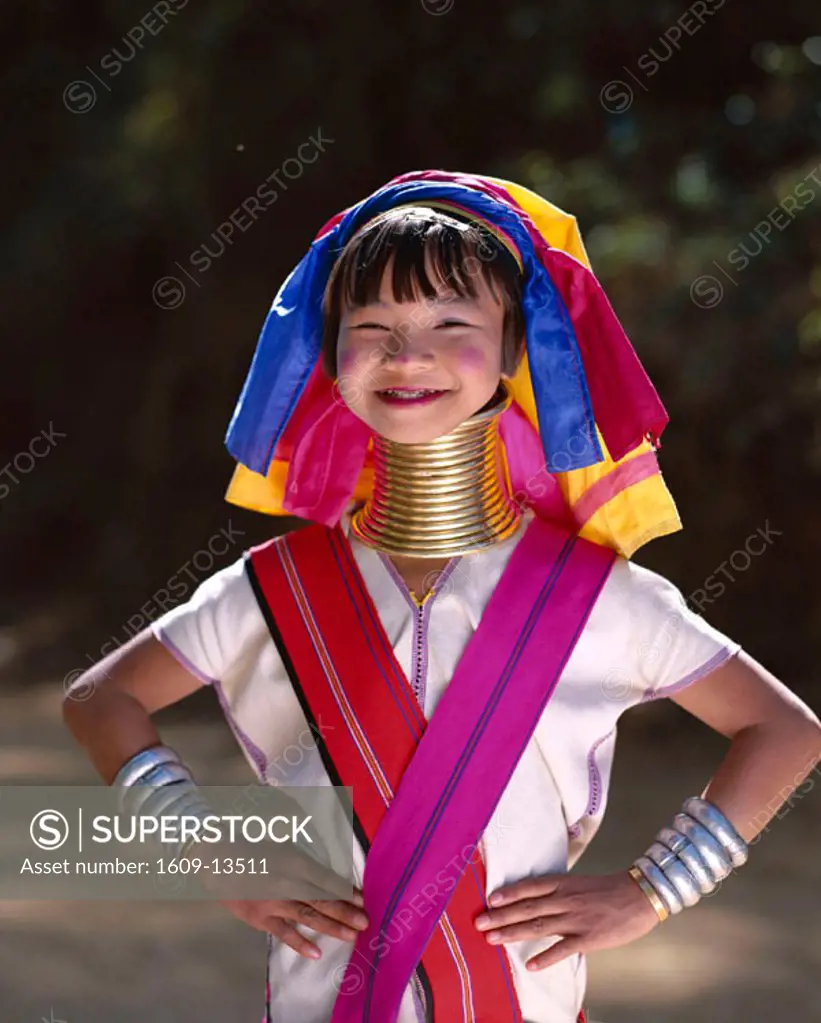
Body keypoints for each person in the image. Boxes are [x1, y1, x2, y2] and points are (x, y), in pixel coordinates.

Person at [63, 170, 821, 1023]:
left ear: (513, 349)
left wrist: (652, 891)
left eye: (449, 323)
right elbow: (102, 698)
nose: (406, 353)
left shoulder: (599, 595)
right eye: (371, 327)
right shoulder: (273, 590)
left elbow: (784, 729)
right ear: (330, 354)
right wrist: (209, 849)